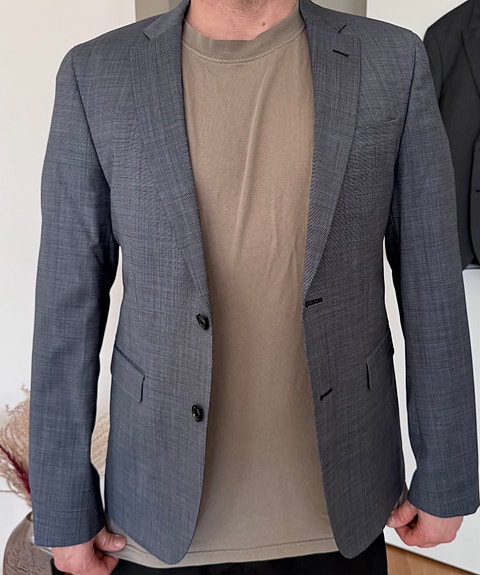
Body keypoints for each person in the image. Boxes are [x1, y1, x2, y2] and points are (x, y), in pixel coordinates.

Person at [29, 0, 479, 574]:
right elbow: (66, 304)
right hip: (155, 513)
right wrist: (63, 506)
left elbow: (430, 282)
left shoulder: (392, 61)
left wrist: (447, 474)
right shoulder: (95, 73)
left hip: (340, 508)